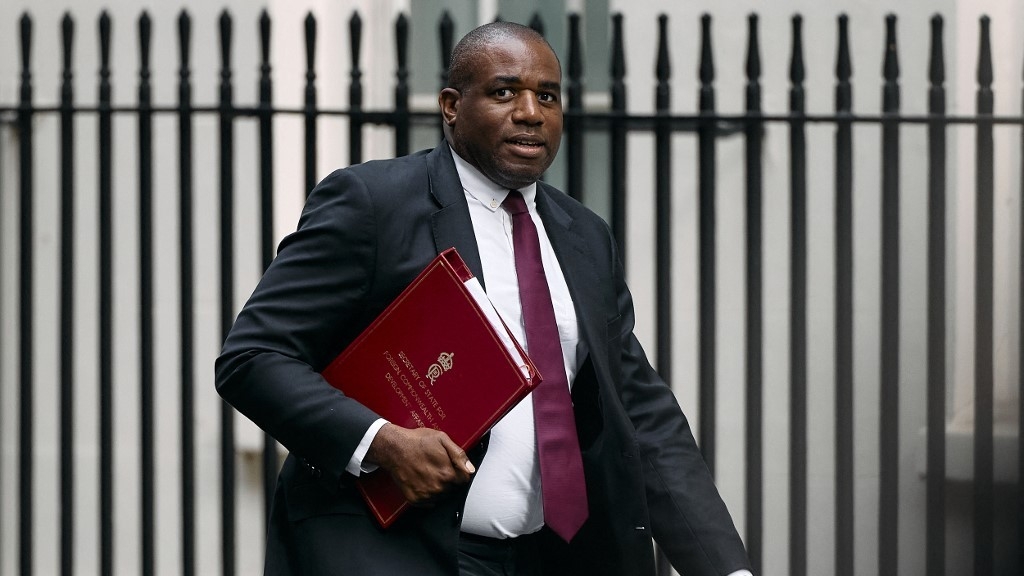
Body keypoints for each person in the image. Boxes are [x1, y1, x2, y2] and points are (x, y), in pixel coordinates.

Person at [216, 21, 753, 576]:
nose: (530, 112)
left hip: (550, 559)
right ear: (451, 105)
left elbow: (639, 412)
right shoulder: (373, 204)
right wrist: (380, 442)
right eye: (504, 92)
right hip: (397, 551)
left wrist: (724, 569)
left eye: (547, 95)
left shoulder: (584, 235)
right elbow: (253, 358)